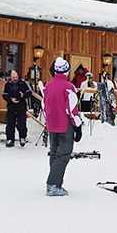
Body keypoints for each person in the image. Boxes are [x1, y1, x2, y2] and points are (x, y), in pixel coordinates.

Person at [43, 57, 83, 196]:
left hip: (52, 125)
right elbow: (71, 109)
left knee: (54, 153)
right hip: (65, 124)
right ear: (66, 71)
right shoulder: (68, 87)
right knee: (64, 154)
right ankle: (53, 185)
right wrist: (77, 126)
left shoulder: (48, 86)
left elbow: (44, 106)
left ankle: (55, 183)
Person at [2, 70, 32, 147]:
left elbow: (29, 92)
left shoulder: (23, 83)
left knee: (22, 123)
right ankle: (10, 139)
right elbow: (4, 94)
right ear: (10, 77)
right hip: (11, 106)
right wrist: (10, 99)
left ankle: (22, 138)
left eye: (16, 77)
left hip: (21, 106)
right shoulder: (7, 84)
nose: (15, 78)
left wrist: (22, 95)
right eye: (13, 77)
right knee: (10, 124)